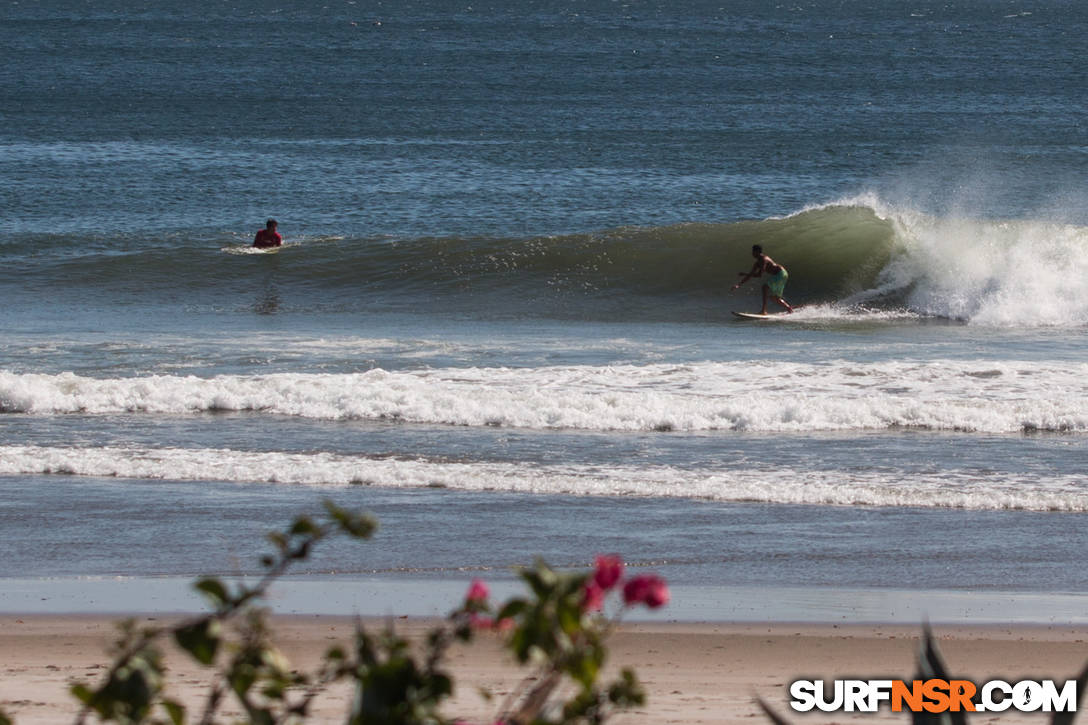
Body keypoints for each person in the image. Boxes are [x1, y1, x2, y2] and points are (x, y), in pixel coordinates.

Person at [732, 244, 794, 314]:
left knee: (764, 287)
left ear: (758, 251)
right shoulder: (757, 263)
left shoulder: (764, 259)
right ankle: (788, 308)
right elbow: (750, 275)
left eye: (753, 252)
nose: (752, 254)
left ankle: (763, 311)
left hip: (780, 274)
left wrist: (745, 274)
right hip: (782, 274)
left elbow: (759, 275)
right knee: (774, 297)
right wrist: (738, 285)